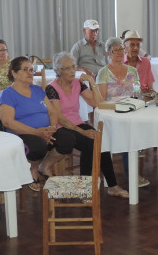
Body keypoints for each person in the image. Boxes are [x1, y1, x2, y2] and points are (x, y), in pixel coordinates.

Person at [45, 52, 129, 198]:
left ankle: (111, 185)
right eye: (67, 68)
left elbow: (97, 103)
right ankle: (85, 190)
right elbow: (59, 118)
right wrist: (83, 132)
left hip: (77, 124)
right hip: (61, 129)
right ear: (58, 71)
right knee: (90, 143)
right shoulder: (51, 88)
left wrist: (91, 81)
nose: (72, 71)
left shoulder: (78, 83)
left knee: (101, 141)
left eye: (73, 67)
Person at [0, 56, 76, 191]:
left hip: (45, 131)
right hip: (21, 134)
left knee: (69, 139)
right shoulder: (7, 94)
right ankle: (32, 169)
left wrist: (51, 128)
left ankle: (44, 166)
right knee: (38, 145)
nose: (30, 73)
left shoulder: (38, 90)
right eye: (25, 69)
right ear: (14, 73)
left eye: (31, 70)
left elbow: (52, 112)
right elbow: (8, 122)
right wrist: (37, 132)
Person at [97, 37, 150, 187]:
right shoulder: (103, 72)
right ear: (109, 54)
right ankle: (131, 174)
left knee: (136, 127)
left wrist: (136, 102)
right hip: (111, 114)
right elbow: (101, 100)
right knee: (129, 132)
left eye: (121, 49)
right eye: (115, 50)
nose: (119, 52)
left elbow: (137, 93)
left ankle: (132, 171)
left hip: (130, 110)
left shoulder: (133, 71)